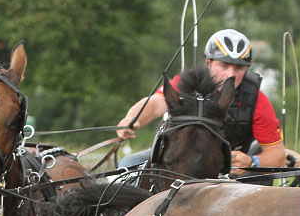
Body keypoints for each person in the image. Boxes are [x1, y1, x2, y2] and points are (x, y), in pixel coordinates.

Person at [116, 29, 287, 173]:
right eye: (224, 66)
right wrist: (132, 118)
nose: (231, 75)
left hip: (223, 165)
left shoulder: (257, 100)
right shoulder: (189, 83)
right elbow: (155, 104)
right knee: (127, 165)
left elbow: (277, 155)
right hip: (177, 155)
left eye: (239, 68)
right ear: (208, 63)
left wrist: (251, 161)